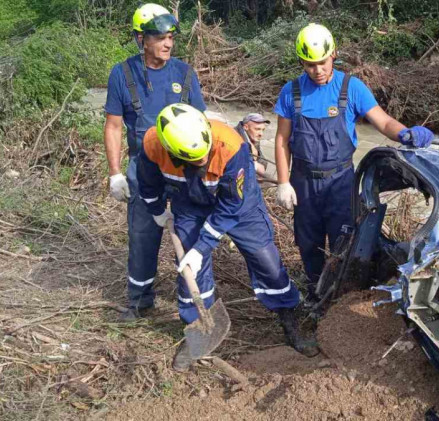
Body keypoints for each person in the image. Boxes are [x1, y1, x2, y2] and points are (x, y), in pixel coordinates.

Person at [137, 103, 319, 370]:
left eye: (205, 155)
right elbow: (148, 184)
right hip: (189, 205)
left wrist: (204, 246)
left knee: (265, 259)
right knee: (190, 272)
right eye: (195, 160)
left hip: (239, 206)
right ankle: (199, 329)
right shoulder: (153, 145)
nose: (203, 162)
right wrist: (157, 212)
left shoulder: (231, 146)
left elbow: (232, 205)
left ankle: (288, 314)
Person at [273, 23, 434, 303]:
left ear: (334, 53)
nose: (318, 70)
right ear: (301, 62)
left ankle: (338, 296)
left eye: (322, 62)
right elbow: (281, 139)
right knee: (308, 243)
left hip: (341, 182)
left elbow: (382, 122)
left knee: (344, 240)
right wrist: (283, 182)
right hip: (304, 182)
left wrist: (405, 133)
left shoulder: (351, 88)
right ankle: (314, 292)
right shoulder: (291, 92)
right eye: (310, 65)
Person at [103, 4, 206, 320]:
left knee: (189, 235)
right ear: (140, 38)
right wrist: (115, 174)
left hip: (183, 170)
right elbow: (113, 126)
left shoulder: (184, 74)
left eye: (171, 37)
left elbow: (202, 123)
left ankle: (190, 305)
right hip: (142, 170)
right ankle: (139, 300)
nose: (168, 43)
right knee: (143, 237)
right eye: (160, 37)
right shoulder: (122, 75)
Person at [234, 113, 271, 178]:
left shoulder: (253, 137)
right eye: (257, 129)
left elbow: (262, 160)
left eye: (263, 130)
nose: (261, 134)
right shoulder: (236, 138)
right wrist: (255, 165)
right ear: (246, 127)